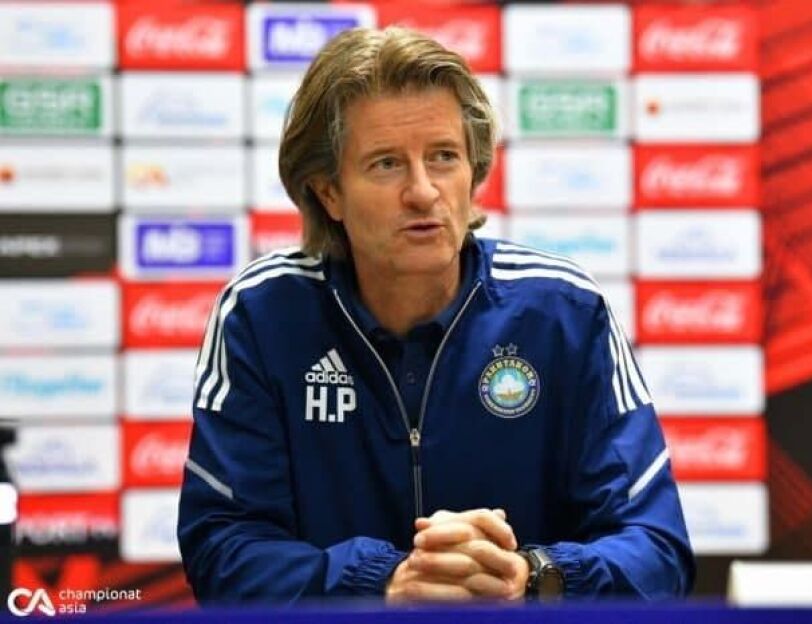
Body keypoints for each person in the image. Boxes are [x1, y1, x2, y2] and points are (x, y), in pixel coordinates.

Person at [177, 26, 694, 604]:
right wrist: (385, 582)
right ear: (328, 193)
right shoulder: (263, 315)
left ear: (473, 172)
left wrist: (529, 576)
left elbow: (657, 549)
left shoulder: (564, 312)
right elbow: (222, 548)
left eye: (444, 157)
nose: (423, 192)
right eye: (386, 164)